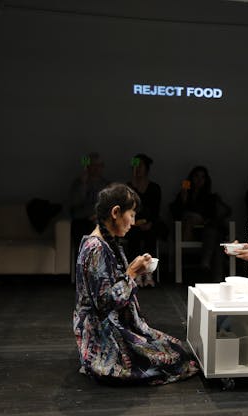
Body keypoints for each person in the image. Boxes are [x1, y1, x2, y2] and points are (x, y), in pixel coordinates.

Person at [73, 183, 199, 385]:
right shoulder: (95, 248)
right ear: (116, 212)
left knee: (176, 348)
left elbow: (111, 283)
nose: (133, 221)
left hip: (113, 322)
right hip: (102, 332)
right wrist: (131, 273)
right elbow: (105, 303)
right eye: (131, 214)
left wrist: (134, 269)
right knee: (172, 360)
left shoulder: (106, 243)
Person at [169, 166, 231, 279]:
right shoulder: (185, 195)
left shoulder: (210, 198)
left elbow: (215, 215)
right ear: (191, 178)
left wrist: (201, 218)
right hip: (193, 232)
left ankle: (207, 265)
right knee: (217, 240)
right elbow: (176, 213)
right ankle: (214, 275)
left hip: (207, 230)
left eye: (202, 177)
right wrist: (183, 199)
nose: (199, 180)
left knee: (215, 236)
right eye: (196, 176)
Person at [125, 153, 164, 287]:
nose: (138, 169)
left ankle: (148, 273)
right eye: (135, 166)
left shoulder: (154, 187)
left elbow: (156, 209)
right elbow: (128, 208)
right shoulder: (128, 187)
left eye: (140, 166)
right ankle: (136, 272)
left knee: (150, 235)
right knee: (133, 236)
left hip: (150, 222)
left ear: (146, 168)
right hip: (133, 223)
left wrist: (150, 223)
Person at [68, 152, 109, 271]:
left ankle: (99, 272)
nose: (96, 169)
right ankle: (82, 272)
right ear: (87, 167)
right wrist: (83, 185)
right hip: (82, 219)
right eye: (93, 165)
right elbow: (74, 204)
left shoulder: (106, 185)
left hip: (99, 220)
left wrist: (98, 215)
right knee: (82, 232)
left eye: (98, 165)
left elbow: (108, 205)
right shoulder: (78, 183)